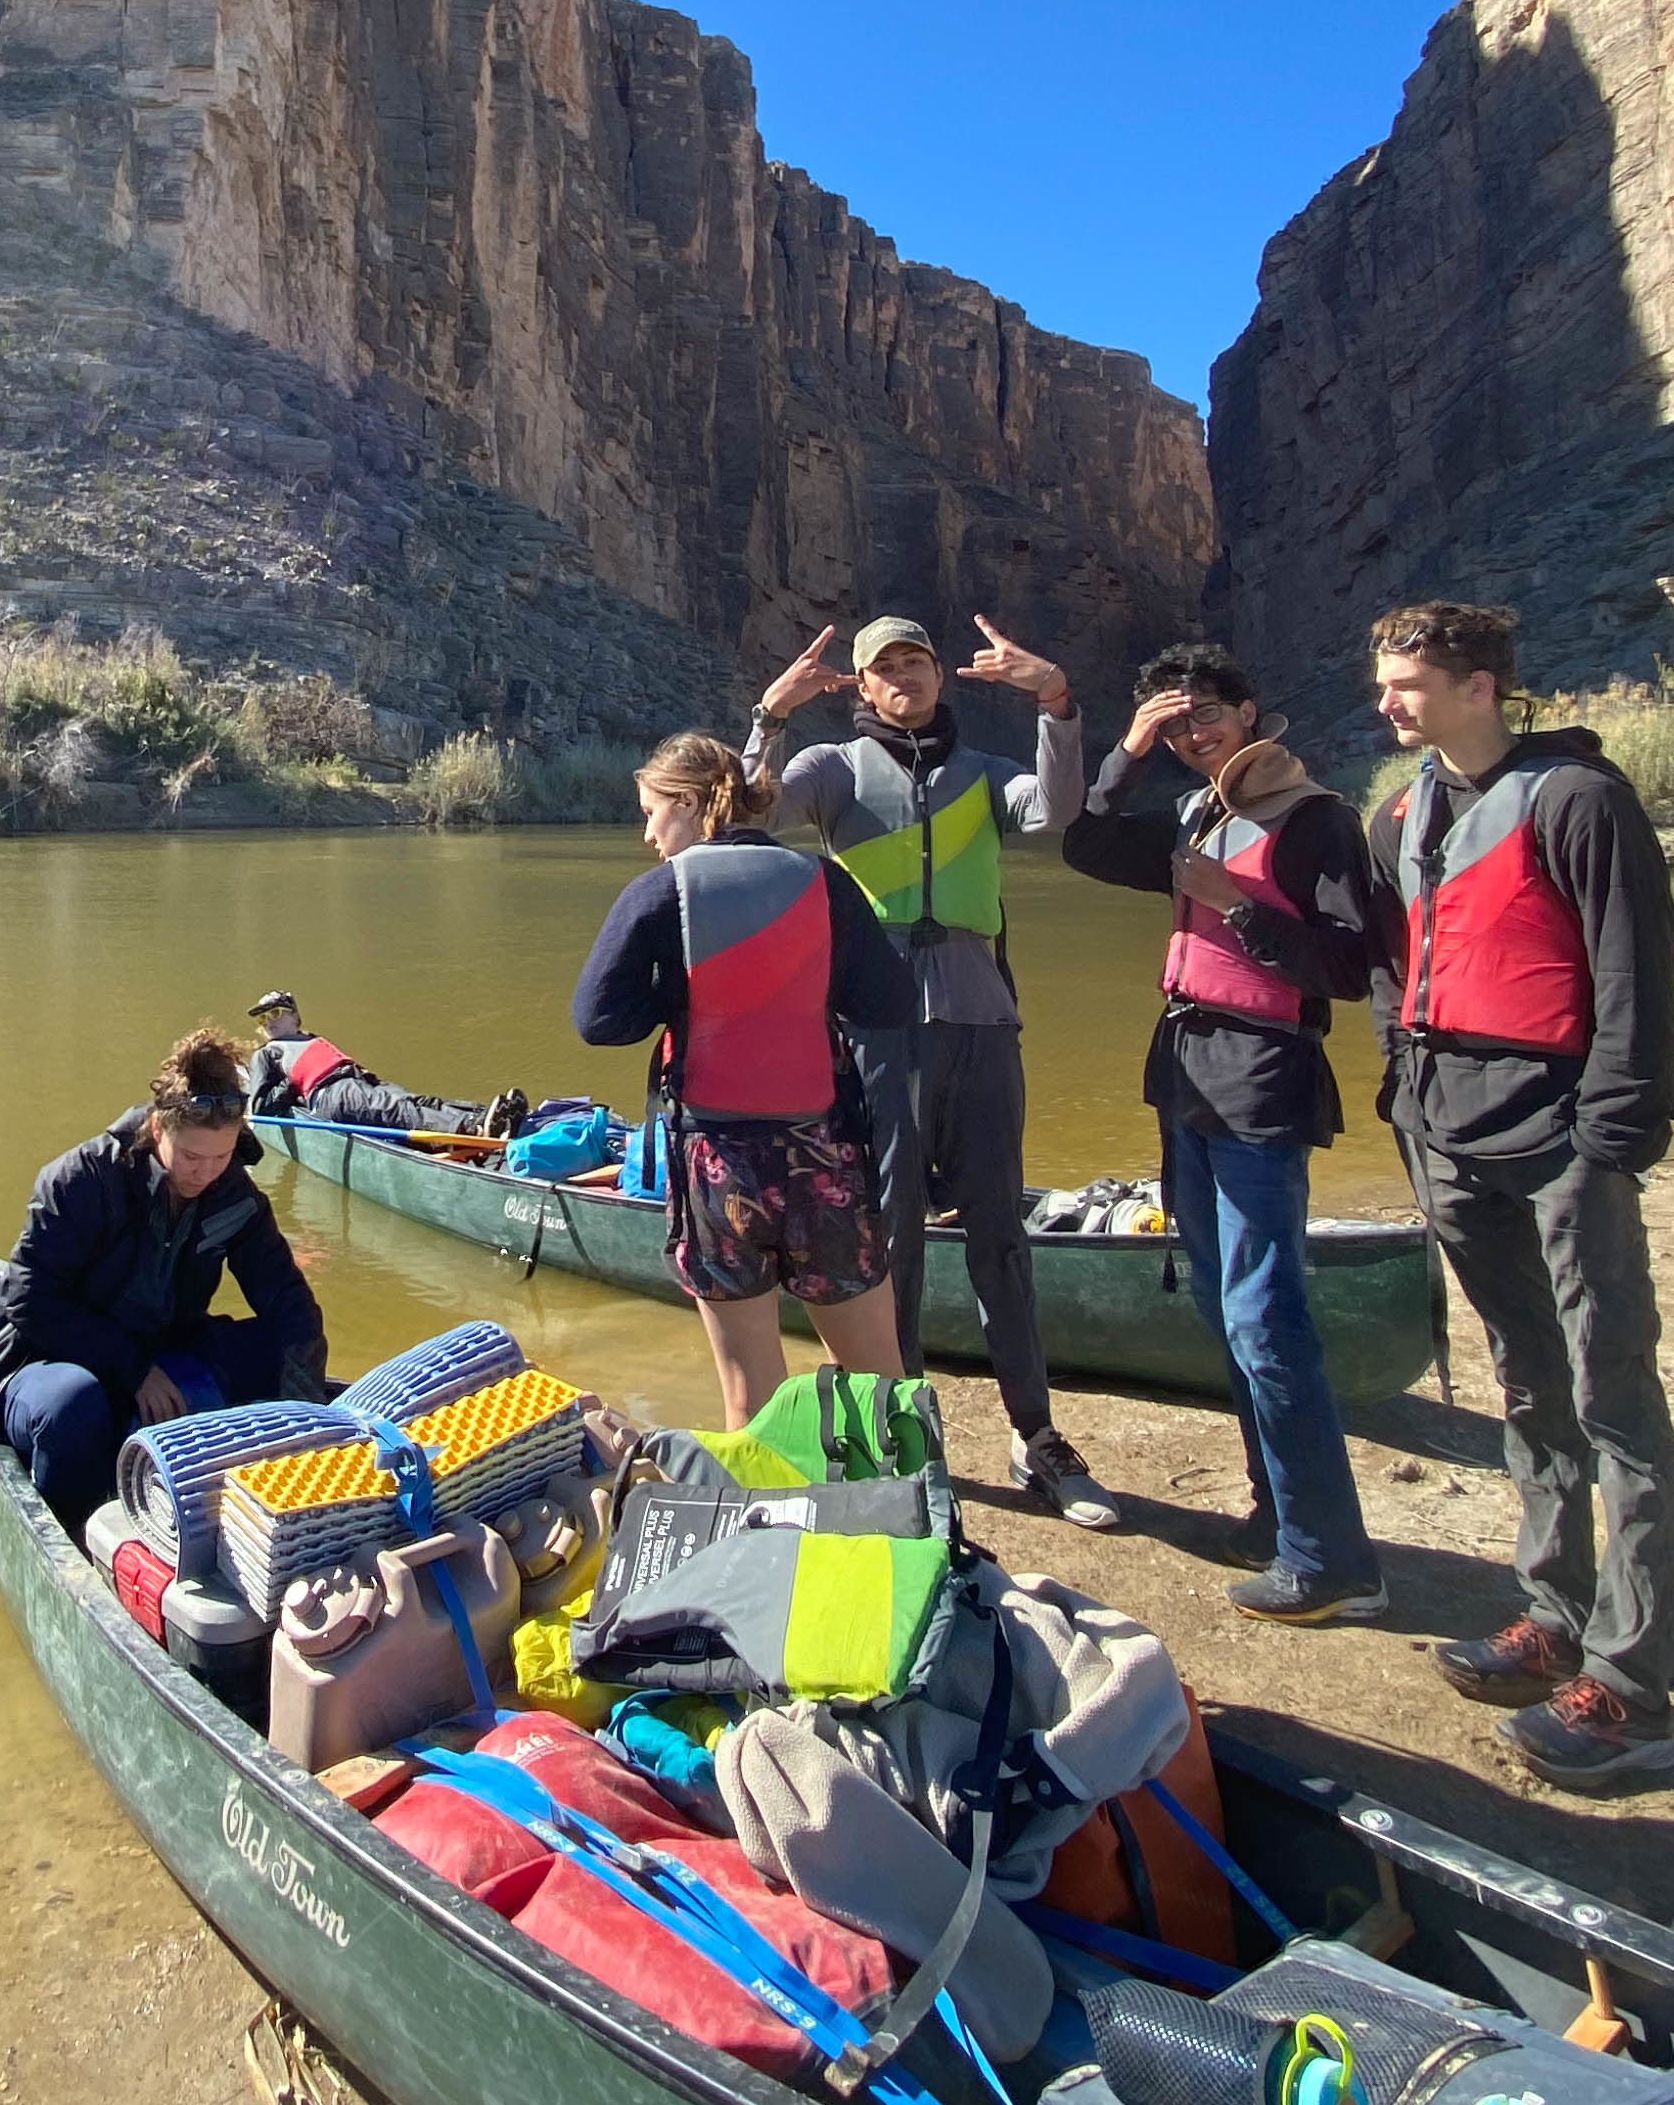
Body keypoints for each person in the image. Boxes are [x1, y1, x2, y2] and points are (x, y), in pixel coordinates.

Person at [1362, 601, 1674, 1790]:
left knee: (1613, 1398)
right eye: (1386, 683)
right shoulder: (1404, 812)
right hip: (1446, 1131)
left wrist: (1613, 1131)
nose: (1387, 703)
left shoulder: (1582, 803)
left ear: (1483, 684)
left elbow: (1633, 971)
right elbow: (1397, 958)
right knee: (1525, 1378)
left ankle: (1630, 1685)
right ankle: (1550, 1614)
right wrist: (1404, 1081)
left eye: (1407, 683)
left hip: (1560, 1137)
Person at [749, 610, 1110, 1524]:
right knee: (892, 1234)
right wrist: (771, 714)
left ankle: (1037, 1437)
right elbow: (748, 815)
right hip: (879, 1029)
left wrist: (1056, 703)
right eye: (885, 668)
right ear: (862, 688)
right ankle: (906, 1435)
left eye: (916, 662)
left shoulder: (982, 775)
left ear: (940, 678)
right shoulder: (830, 771)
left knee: (1001, 1232)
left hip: (982, 1020)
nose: (903, 677)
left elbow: (1058, 809)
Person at [1061, 643, 1386, 1624]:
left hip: (1260, 1080)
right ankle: (1275, 1518)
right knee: (1221, 1303)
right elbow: (1083, 841)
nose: (1196, 732)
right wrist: (1125, 748)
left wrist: (1236, 903)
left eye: (1210, 713)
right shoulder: (1197, 811)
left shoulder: (1316, 821)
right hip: (1189, 1077)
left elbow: (1347, 966)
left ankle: (1333, 1561)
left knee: (1265, 1318)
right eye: (1178, 720)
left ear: (1252, 713)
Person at [572, 732, 917, 1424]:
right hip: (821, 1159)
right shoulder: (824, 881)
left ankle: (771, 1525)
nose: (647, 833)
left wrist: (680, 995)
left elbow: (598, 1019)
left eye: (650, 812)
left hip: (716, 1168)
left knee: (749, 1392)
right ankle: (912, 1513)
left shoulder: (658, 893)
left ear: (691, 804)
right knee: (880, 1377)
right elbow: (891, 1003)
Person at [0, 1027, 330, 1528]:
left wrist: (304, 1422)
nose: (205, 1173)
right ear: (157, 1129)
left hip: (164, 1347)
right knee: (74, 1406)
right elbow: (28, 1302)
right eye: (192, 1157)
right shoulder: (80, 1180)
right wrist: (134, 1372)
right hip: (50, 1360)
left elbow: (289, 1302)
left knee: (281, 1347)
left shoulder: (233, 1195)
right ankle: (81, 1536)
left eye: (221, 1157)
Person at [242, 989, 528, 1138]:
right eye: (262, 1019)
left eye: (276, 1013)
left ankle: (486, 1116)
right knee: (397, 1111)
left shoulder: (309, 1039)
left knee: (421, 1102)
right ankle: (470, 1129)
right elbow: (260, 1106)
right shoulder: (268, 1053)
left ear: (294, 1016)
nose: (269, 1022)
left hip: (359, 1081)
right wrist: (290, 1087)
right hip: (331, 1093)